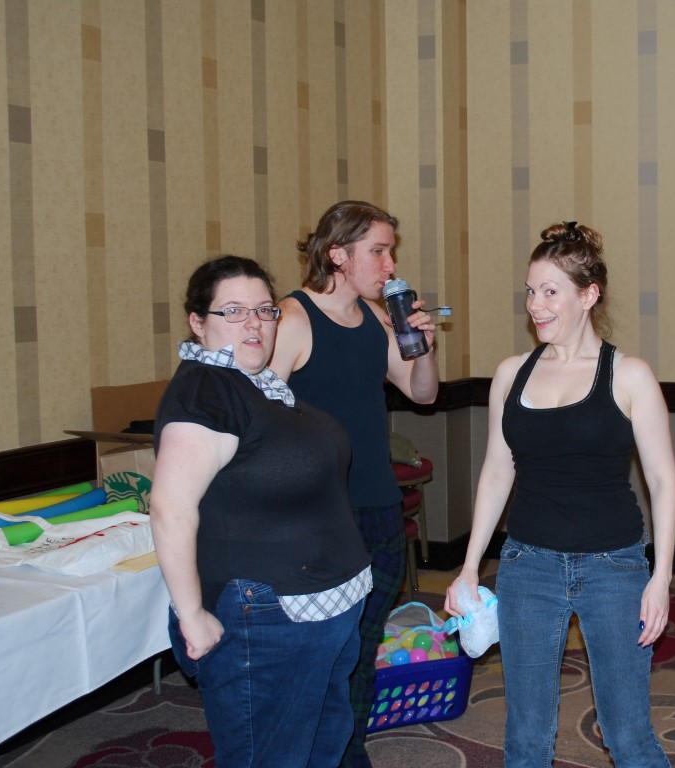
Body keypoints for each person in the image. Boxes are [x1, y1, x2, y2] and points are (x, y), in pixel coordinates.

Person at [444, 221, 675, 767]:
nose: (536, 305)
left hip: (614, 567)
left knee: (627, 734)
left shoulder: (629, 375)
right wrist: (469, 567)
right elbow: (496, 472)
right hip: (527, 565)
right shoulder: (511, 374)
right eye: (530, 291)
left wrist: (661, 578)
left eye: (550, 291)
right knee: (526, 735)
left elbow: (663, 481)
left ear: (588, 295)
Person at [152, 255, 372, 767]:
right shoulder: (206, 390)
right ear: (197, 322)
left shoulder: (258, 384)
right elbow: (169, 507)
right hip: (269, 617)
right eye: (232, 311)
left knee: (320, 747)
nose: (253, 323)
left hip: (322, 607)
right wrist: (192, 615)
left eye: (264, 310)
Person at [269, 200, 439, 768]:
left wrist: (424, 347)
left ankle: (349, 749)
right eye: (378, 251)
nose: (391, 265)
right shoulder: (293, 320)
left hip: (377, 503)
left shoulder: (372, 318)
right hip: (320, 516)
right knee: (323, 649)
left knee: (364, 644)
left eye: (391, 251)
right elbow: (260, 420)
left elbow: (422, 393)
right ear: (338, 254)